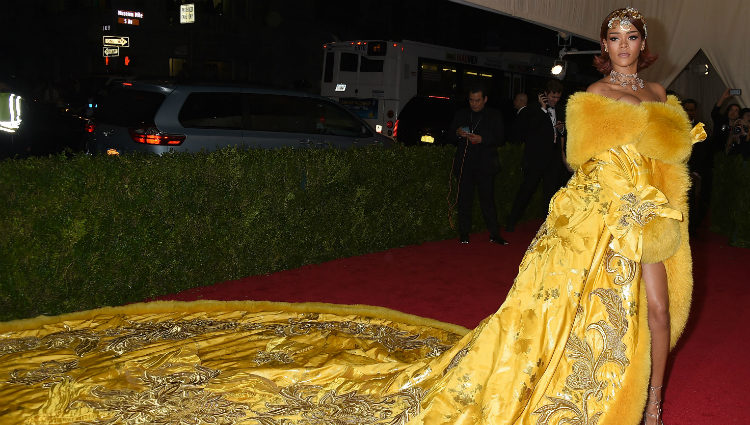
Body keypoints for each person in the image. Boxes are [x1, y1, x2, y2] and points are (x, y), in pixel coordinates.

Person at [0, 8, 702, 425]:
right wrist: (609, 204)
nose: (622, 47)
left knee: (660, 311)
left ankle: (653, 399)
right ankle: (634, 401)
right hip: (595, 220)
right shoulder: (587, 102)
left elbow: (671, 162)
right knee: (569, 313)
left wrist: (665, 205)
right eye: (612, 38)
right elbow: (585, 165)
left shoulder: (662, 94)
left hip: (650, 217)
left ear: (645, 46)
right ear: (603, 48)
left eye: (631, 38)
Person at [449, 84, 508, 245]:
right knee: (464, 201)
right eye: (471, 100)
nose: (474, 104)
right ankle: (464, 233)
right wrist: (458, 132)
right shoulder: (462, 114)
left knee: (488, 201)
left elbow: (500, 138)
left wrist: (482, 139)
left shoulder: (494, 115)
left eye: (477, 100)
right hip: (465, 164)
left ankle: (494, 234)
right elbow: (450, 135)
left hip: (485, 165)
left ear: (485, 99)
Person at [506, 79, 566, 232]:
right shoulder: (532, 110)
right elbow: (526, 130)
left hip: (552, 158)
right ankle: (511, 222)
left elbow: (564, 134)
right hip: (536, 158)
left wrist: (562, 129)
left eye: (558, 97)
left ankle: (548, 226)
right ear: (545, 95)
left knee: (551, 193)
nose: (555, 100)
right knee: (527, 190)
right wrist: (543, 109)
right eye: (552, 97)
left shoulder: (560, 110)